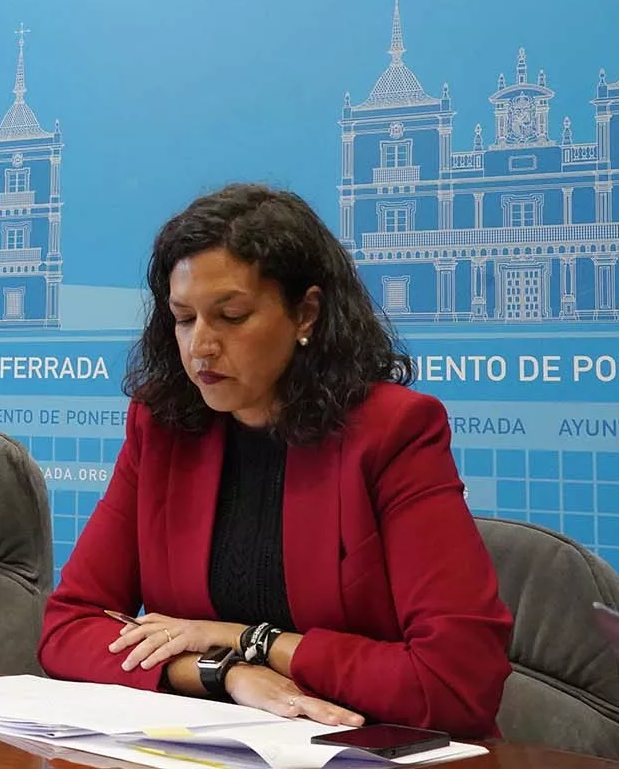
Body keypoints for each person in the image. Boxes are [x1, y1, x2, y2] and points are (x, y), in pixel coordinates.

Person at [38, 184, 511, 737]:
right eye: (184, 318)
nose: (201, 346)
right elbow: (69, 628)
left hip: (361, 747)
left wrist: (249, 640)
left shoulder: (392, 433)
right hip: (214, 745)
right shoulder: (162, 427)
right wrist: (225, 673)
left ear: (305, 313)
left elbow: (456, 684)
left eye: (232, 316)